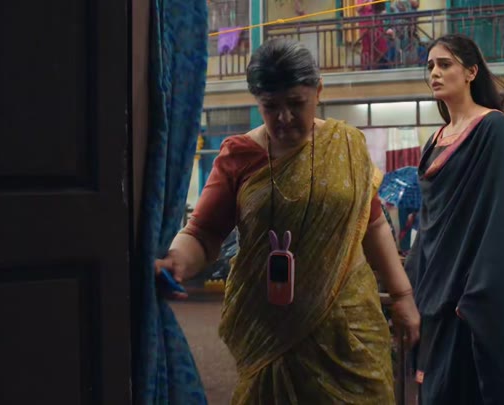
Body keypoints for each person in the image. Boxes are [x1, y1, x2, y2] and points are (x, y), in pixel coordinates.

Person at [155, 37, 420, 404]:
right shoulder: (240, 155)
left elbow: (373, 224)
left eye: (296, 104)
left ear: (318, 91)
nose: (284, 118)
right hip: (272, 331)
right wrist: (177, 261)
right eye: (271, 107)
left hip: (350, 330)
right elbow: (203, 232)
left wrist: (402, 295)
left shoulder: (347, 146)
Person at [410, 33, 504, 404]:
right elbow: (428, 221)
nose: (435, 73)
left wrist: (479, 291)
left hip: (470, 295)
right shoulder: (436, 139)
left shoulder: (493, 129)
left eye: (445, 64)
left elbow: (501, 214)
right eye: (430, 66)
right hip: (432, 288)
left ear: (471, 72)